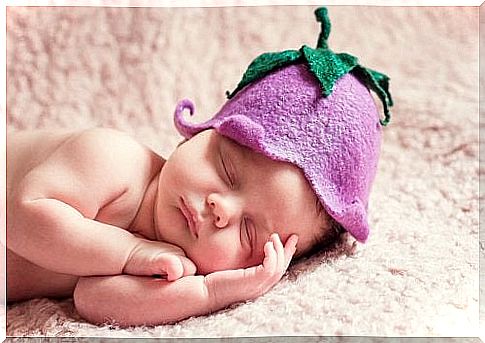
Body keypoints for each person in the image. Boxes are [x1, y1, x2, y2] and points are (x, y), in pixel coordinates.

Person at [6, 7, 392, 327]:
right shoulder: (112, 159)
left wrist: (213, 291)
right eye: (227, 169)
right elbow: (20, 218)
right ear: (202, 133)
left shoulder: (175, 257)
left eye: (248, 233)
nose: (221, 209)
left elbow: (94, 300)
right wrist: (131, 254)